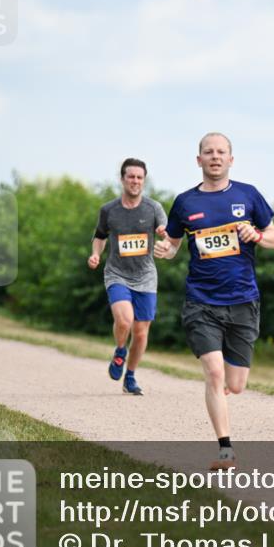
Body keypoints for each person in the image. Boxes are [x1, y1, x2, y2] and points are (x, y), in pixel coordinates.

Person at [155, 132, 274, 470]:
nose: (214, 157)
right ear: (199, 160)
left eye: (221, 152)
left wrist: (256, 234)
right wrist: (163, 250)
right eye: (208, 152)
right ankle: (226, 449)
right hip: (201, 301)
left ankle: (222, 392)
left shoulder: (248, 194)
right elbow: (173, 245)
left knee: (235, 385)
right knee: (213, 373)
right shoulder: (184, 202)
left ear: (230, 159)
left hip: (243, 300)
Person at [88, 158, 168, 396]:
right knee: (124, 321)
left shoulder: (153, 208)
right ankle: (120, 350)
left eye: (139, 177)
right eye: (131, 176)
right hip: (117, 273)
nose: (135, 181)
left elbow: (167, 232)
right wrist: (95, 254)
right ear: (122, 179)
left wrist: (165, 235)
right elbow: (100, 236)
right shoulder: (109, 210)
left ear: (144, 180)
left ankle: (130, 377)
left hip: (145, 275)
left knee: (142, 332)